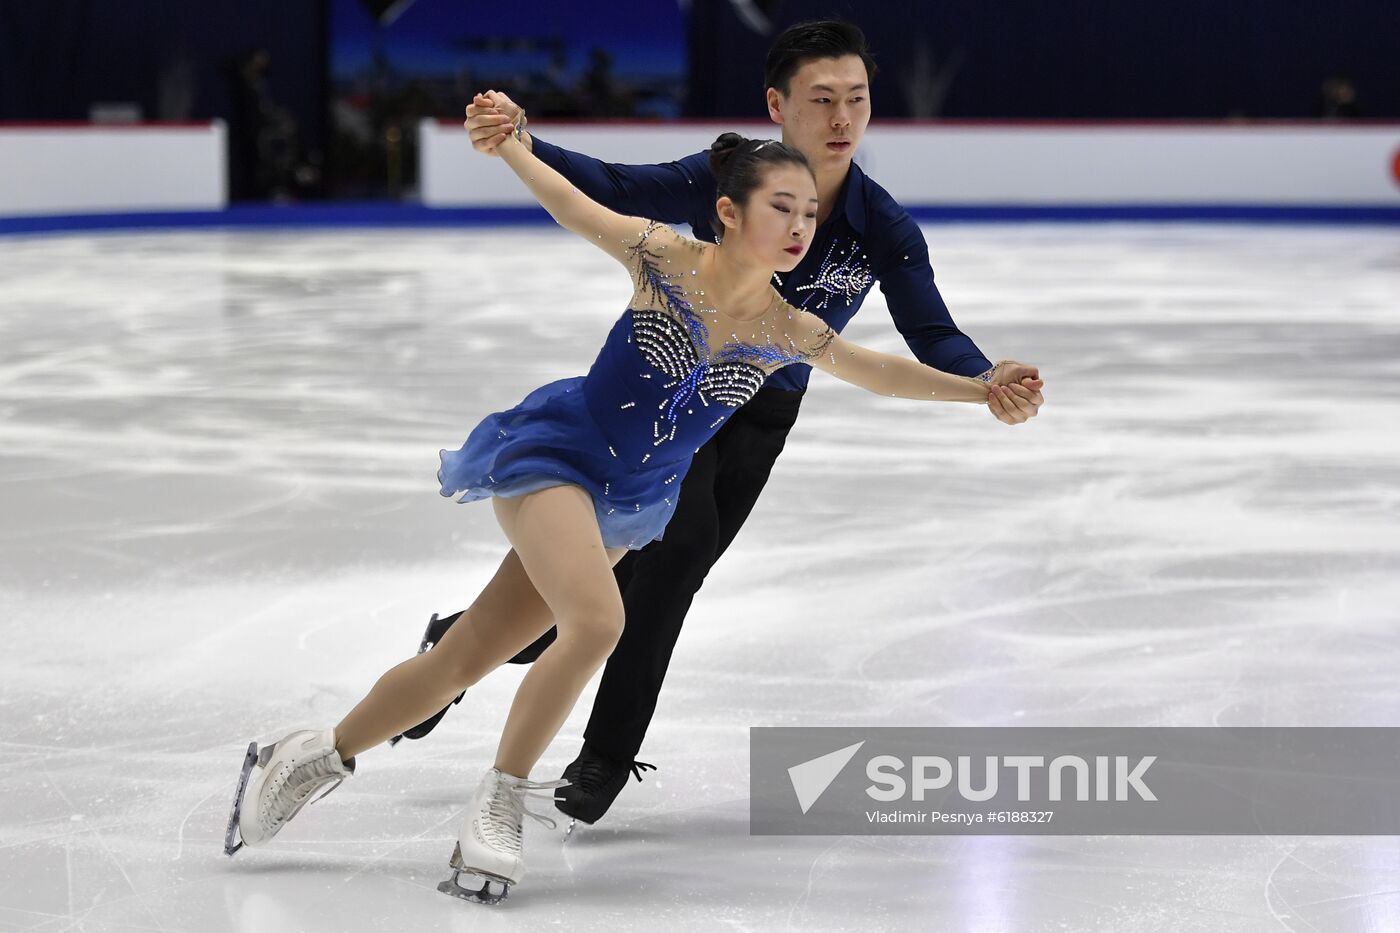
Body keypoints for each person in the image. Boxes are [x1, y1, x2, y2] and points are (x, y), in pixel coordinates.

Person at [223, 117, 1031, 904]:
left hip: (629, 503)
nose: (798, 226)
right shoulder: (667, 258)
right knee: (599, 624)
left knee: (461, 659)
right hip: (557, 459)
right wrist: (513, 146)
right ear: (728, 210)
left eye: (808, 213)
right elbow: (577, 207)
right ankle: (500, 798)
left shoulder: (792, 329)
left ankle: (312, 757)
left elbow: (882, 372)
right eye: (780, 207)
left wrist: (980, 387)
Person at [394, 20, 1045, 830]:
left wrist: (985, 377)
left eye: (858, 99)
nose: (843, 117)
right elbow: (618, 190)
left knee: (651, 573)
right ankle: (530, 700)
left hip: (759, 409)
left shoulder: (883, 227)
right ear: (779, 105)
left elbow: (929, 331)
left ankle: (516, 688)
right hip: (673, 390)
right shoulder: (730, 178)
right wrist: (523, 143)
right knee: (640, 564)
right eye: (822, 99)